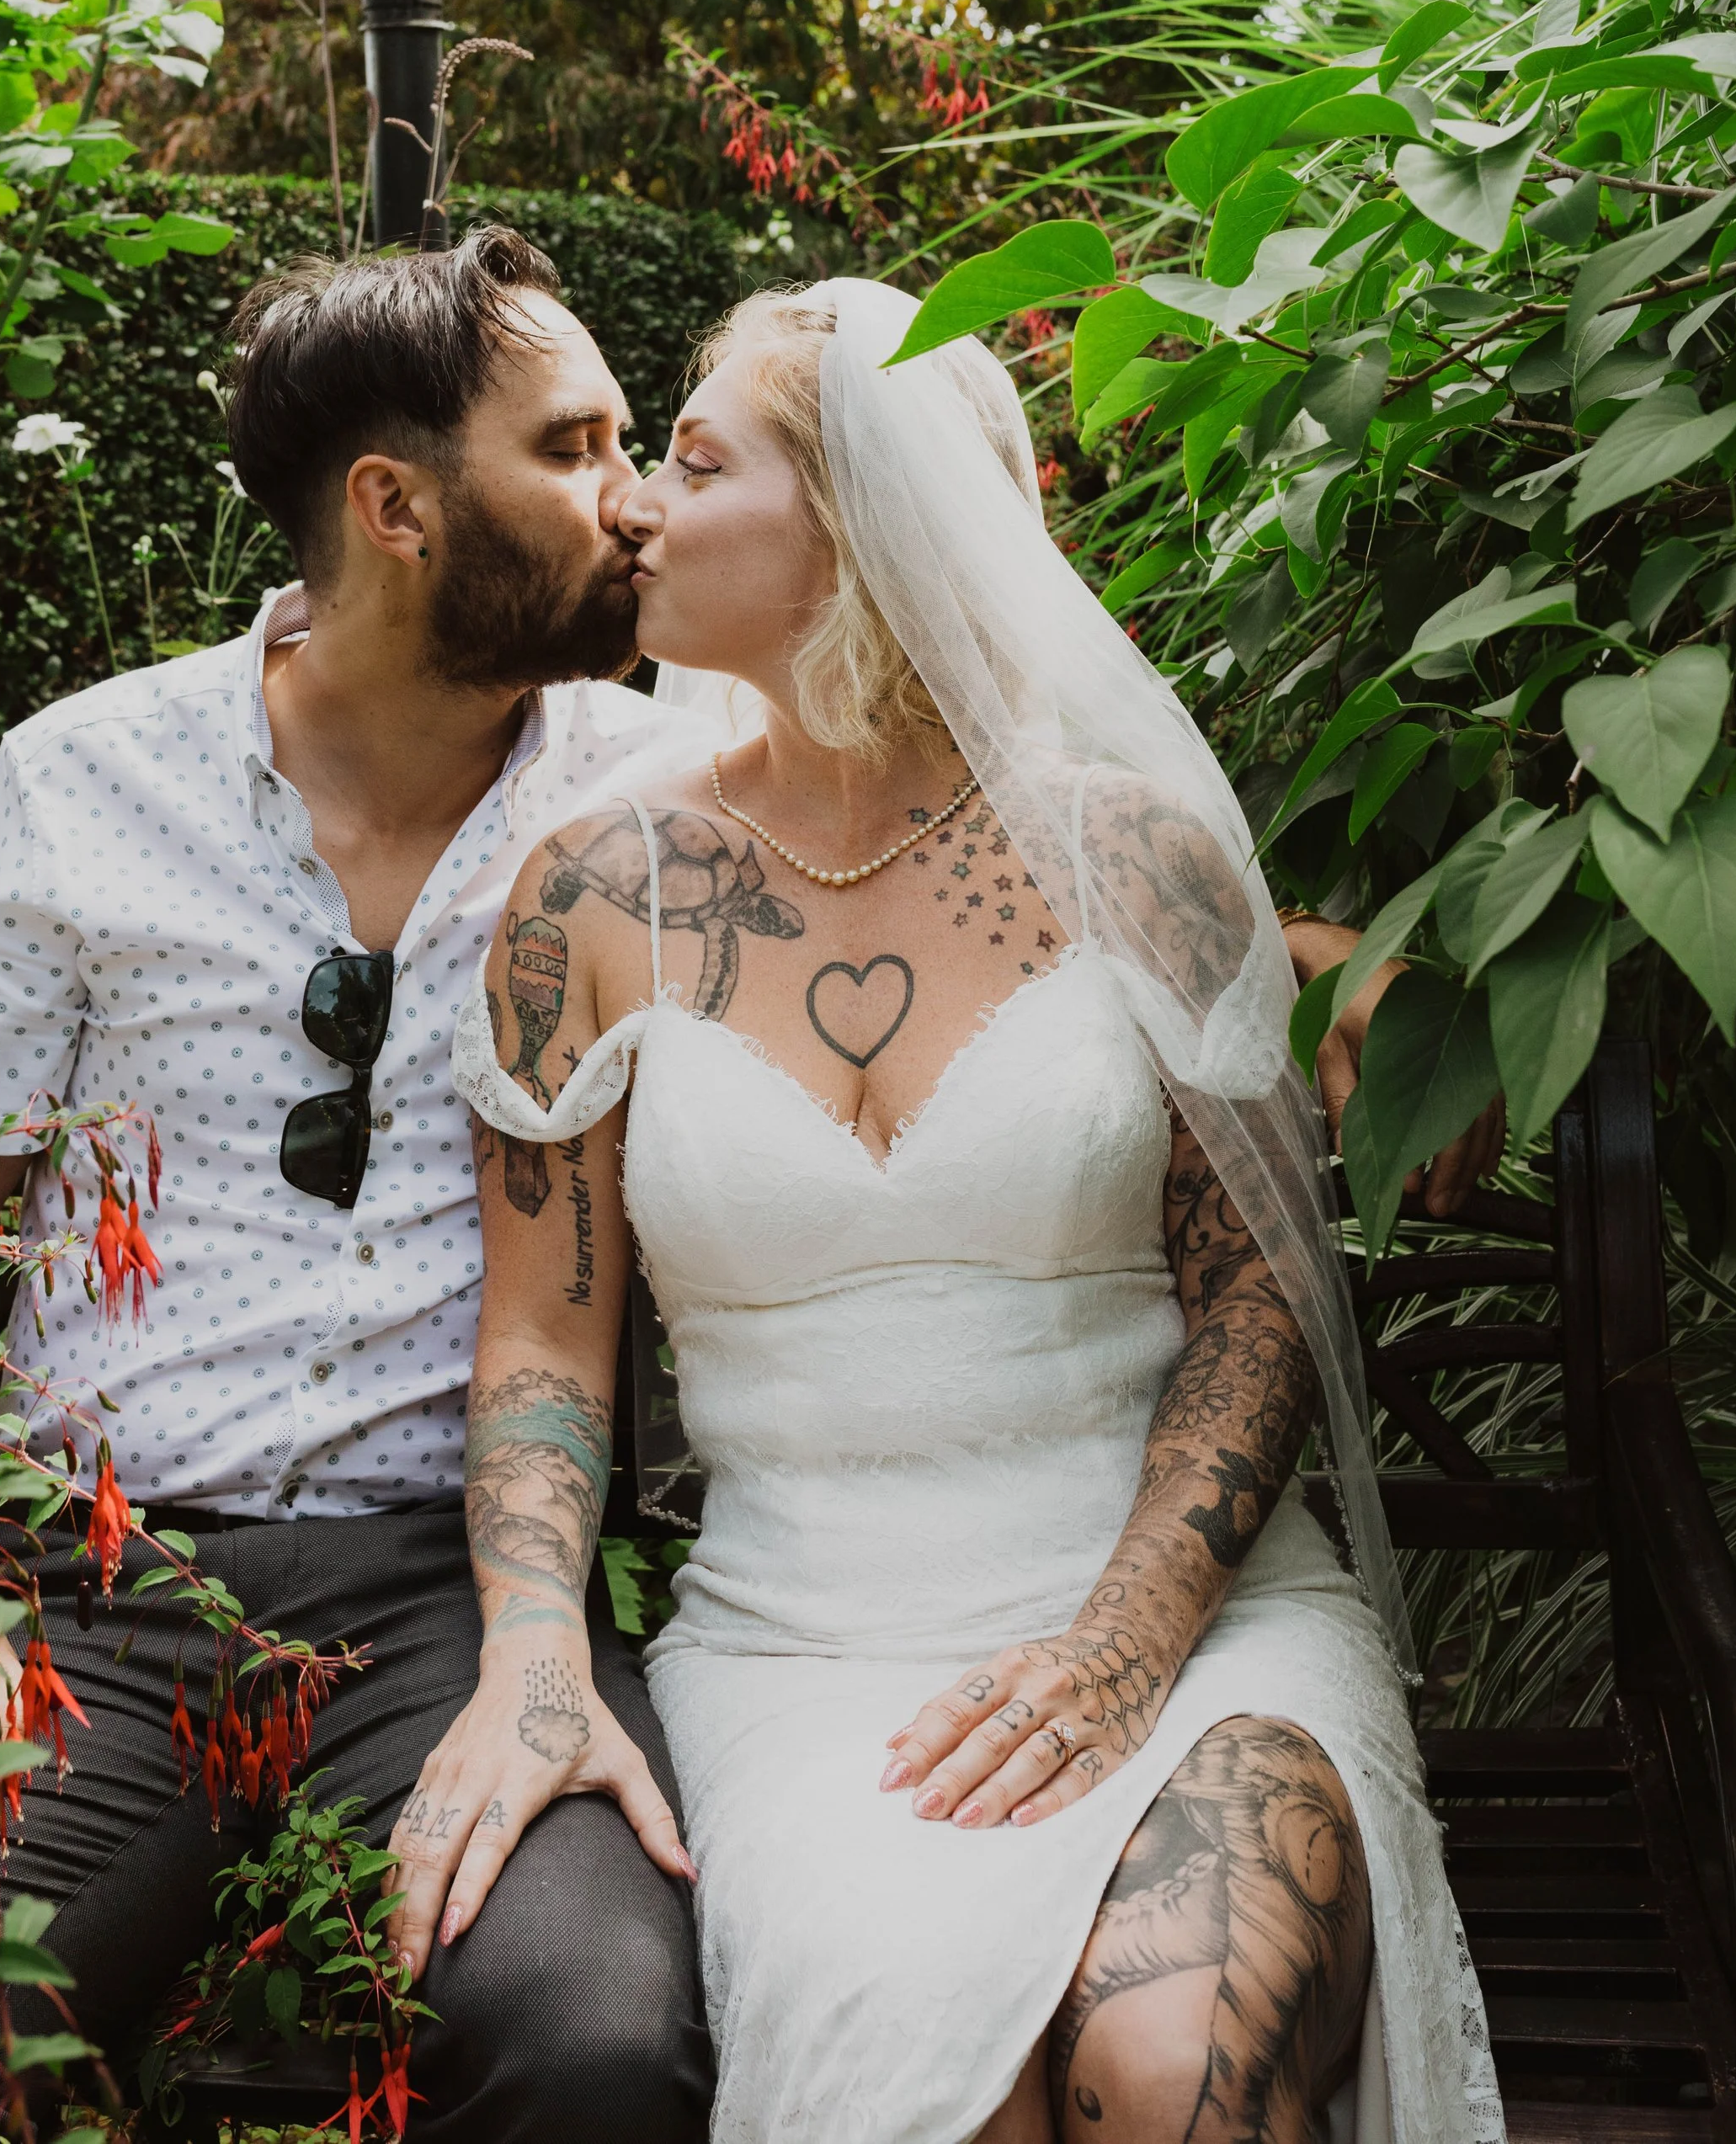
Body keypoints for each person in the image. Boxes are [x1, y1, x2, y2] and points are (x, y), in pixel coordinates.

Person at [397, 280, 1504, 2144]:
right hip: (802, 1653)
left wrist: (1124, 1638)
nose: (634, 509)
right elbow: (539, 1342)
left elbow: (1254, 1293)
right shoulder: (587, 898)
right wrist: (529, 1650)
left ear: (858, 522)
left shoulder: (1132, 857)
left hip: (1190, 1618)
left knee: (1171, 2067)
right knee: (959, 2090)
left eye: (689, 459)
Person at [0, 229, 713, 2143]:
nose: (634, 505)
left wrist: (1291, 951)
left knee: (597, 2041)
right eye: (572, 449)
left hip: (451, 1594)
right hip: (86, 1599)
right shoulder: (82, 779)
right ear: (394, 506)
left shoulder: (668, 780)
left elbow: (974, 844)